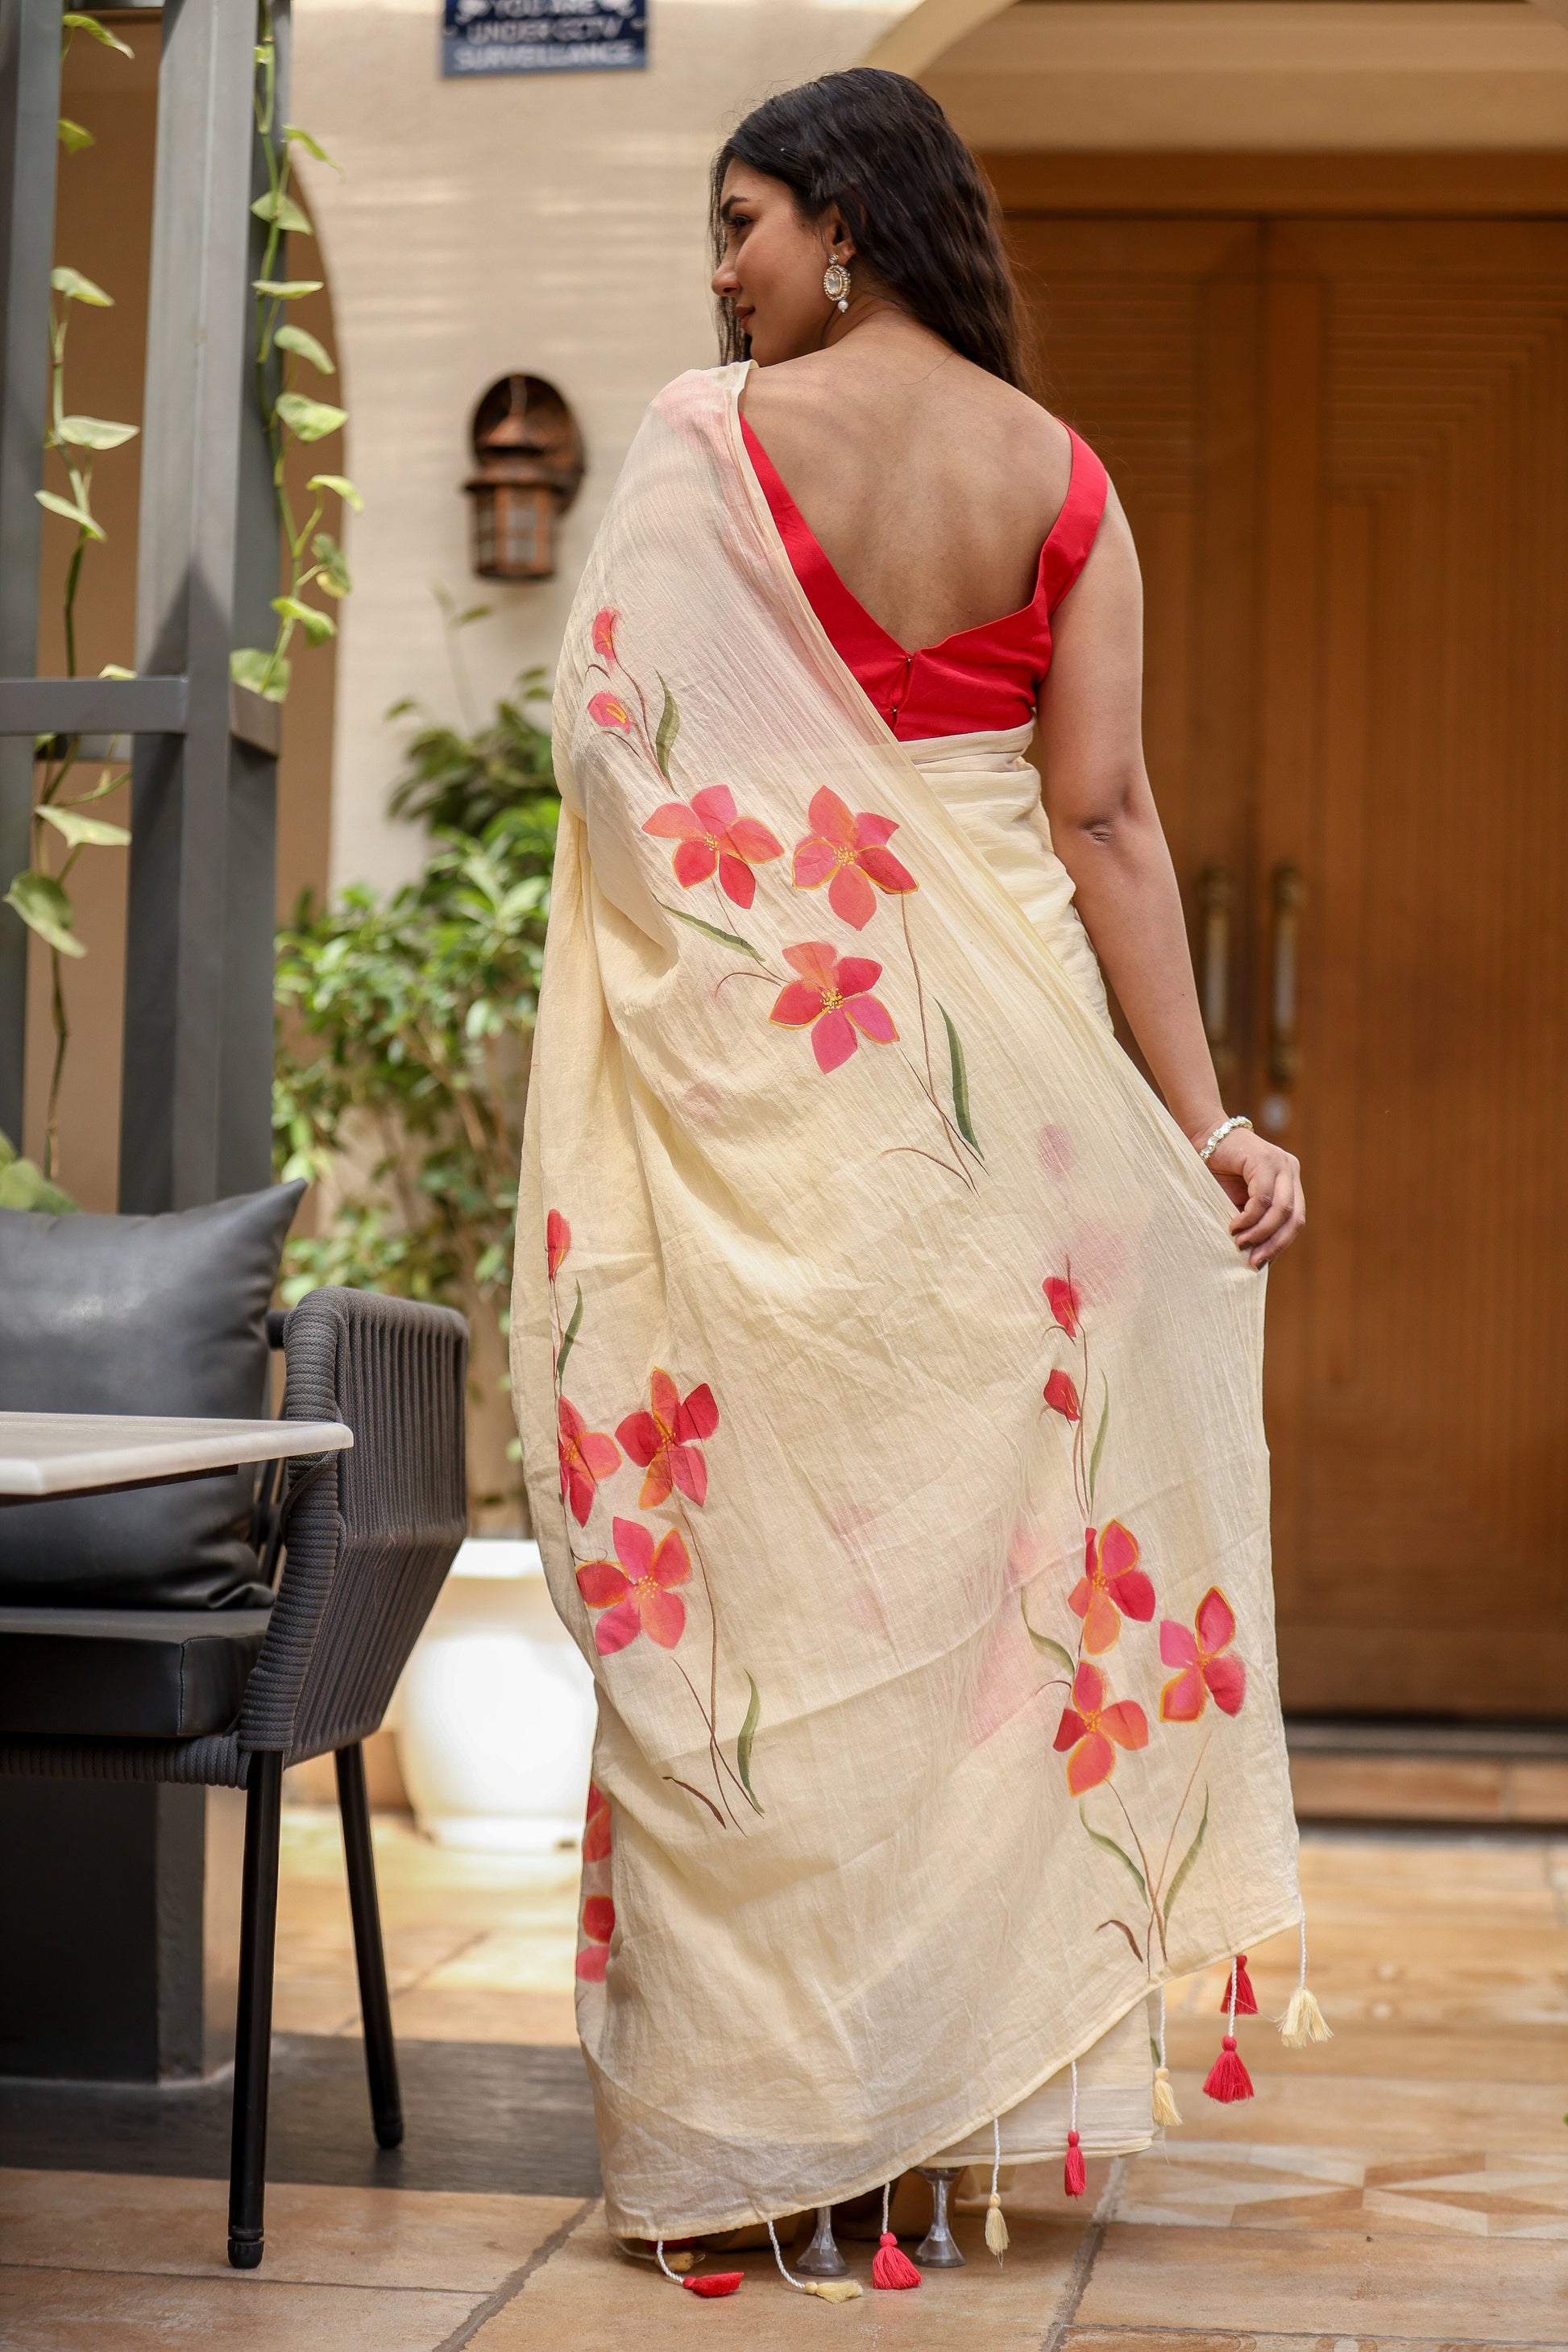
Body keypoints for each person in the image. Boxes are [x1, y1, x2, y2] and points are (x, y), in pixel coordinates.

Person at [512, 66, 1309, 2289]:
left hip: (791, 1105)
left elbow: (619, 762)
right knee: (967, 1622)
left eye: (744, 219)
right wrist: (1200, 1121)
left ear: (845, 221)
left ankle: (788, 2137)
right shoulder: (1058, 476)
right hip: (1010, 1120)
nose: (721, 265)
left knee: (774, 1601)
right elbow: (1102, 823)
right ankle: (939, 2129)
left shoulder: (702, 446)